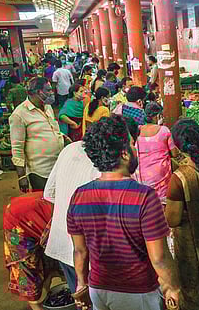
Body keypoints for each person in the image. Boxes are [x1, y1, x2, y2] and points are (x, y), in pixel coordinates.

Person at [67, 115, 181, 310]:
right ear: (125, 154)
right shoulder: (144, 196)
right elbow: (159, 257)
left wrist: (81, 284)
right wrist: (174, 287)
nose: (136, 148)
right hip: (138, 292)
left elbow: (80, 251)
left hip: (98, 289)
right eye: (132, 144)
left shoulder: (79, 195)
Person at [43, 117, 140, 294]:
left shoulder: (69, 149)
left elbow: (49, 194)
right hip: (89, 256)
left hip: (63, 244)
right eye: (132, 143)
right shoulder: (108, 169)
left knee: (82, 298)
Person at [165, 118, 199, 310]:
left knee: (193, 293)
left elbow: (173, 219)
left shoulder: (179, 178)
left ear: (177, 147)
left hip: (191, 247)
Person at [3, 192, 62, 310]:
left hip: (36, 211)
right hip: (19, 221)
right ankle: (36, 306)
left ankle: (47, 298)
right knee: (28, 268)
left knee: (50, 262)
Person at [9, 77, 65, 192]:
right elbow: (17, 147)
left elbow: (52, 129)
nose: (51, 92)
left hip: (58, 165)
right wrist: (22, 176)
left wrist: (62, 137)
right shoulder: (19, 114)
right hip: (40, 172)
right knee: (44, 202)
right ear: (38, 92)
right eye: (48, 90)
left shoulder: (47, 107)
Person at [134, 102, 178, 200]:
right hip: (160, 176)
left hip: (141, 176)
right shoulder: (164, 131)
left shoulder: (137, 130)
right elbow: (174, 154)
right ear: (158, 116)